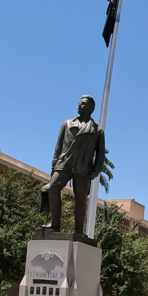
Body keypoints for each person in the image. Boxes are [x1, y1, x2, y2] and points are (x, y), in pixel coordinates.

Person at [40, 95, 106, 235]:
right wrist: (54, 165)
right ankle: (54, 224)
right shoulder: (67, 124)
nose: (79, 105)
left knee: (81, 198)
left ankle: (79, 230)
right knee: (52, 188)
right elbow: (58, 146)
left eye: (83, 104)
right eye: (79, 103)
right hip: (64, 163)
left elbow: (100, 154)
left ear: (91, 108)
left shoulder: (97, 130)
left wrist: (96, 170)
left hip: (83, 167)